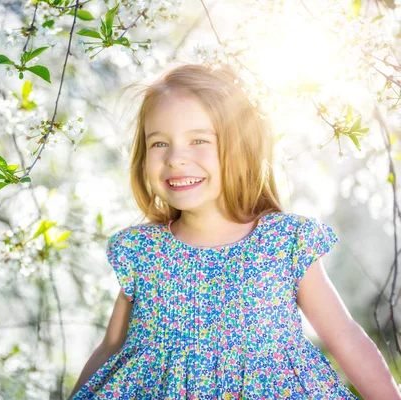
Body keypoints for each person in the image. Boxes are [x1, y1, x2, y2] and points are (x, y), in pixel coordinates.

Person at [68, 64, 401, 399]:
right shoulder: (143, 252)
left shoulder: (283, 242)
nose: (175, 158)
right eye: (159, 144)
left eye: (198, 140)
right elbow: (112, 347)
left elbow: (344, 336)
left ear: (239, 147)